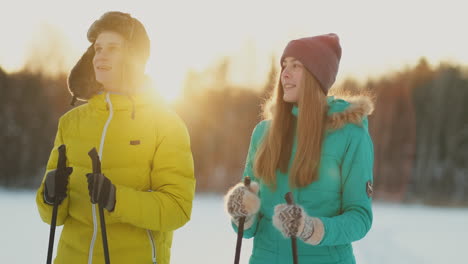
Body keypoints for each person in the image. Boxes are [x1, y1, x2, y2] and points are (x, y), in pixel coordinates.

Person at [36, 11, 195, 264]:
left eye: (113, 48)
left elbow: (178, 208)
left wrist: (115, 198)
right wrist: (50, 196)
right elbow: (51, 215)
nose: (100, 56)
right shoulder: (70, 123)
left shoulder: (165, 124)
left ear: (133, 56)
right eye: (98, 48)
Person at [225, 33, 374, 263]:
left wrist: (311, 229)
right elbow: (247, 229)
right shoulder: (263, 133)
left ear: (318, 75)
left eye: (296, 66)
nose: (285, 73)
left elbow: (360, 218)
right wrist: (242, 212)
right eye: (284, 65)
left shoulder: (350, 135)